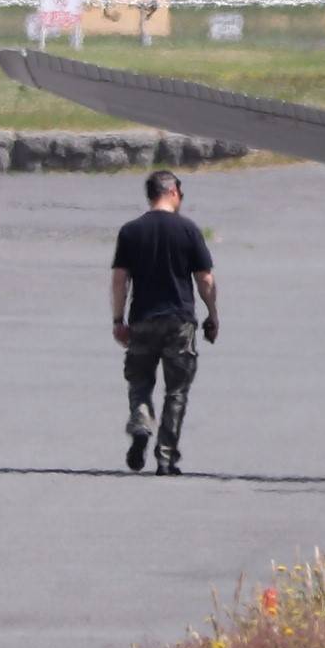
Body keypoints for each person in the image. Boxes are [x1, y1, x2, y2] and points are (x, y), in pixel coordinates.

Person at [108, 170, 219, 476]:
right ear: (172, 192)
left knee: (140, 381)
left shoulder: (131, 231)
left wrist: (118, 320)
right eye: (180, 193)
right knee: (177, 391)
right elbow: (205, 279)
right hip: (179, 322)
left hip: (142, 319)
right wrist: (213, 314)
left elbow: (119, 280)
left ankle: (142, 420)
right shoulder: (188, 231)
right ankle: (166, 457)